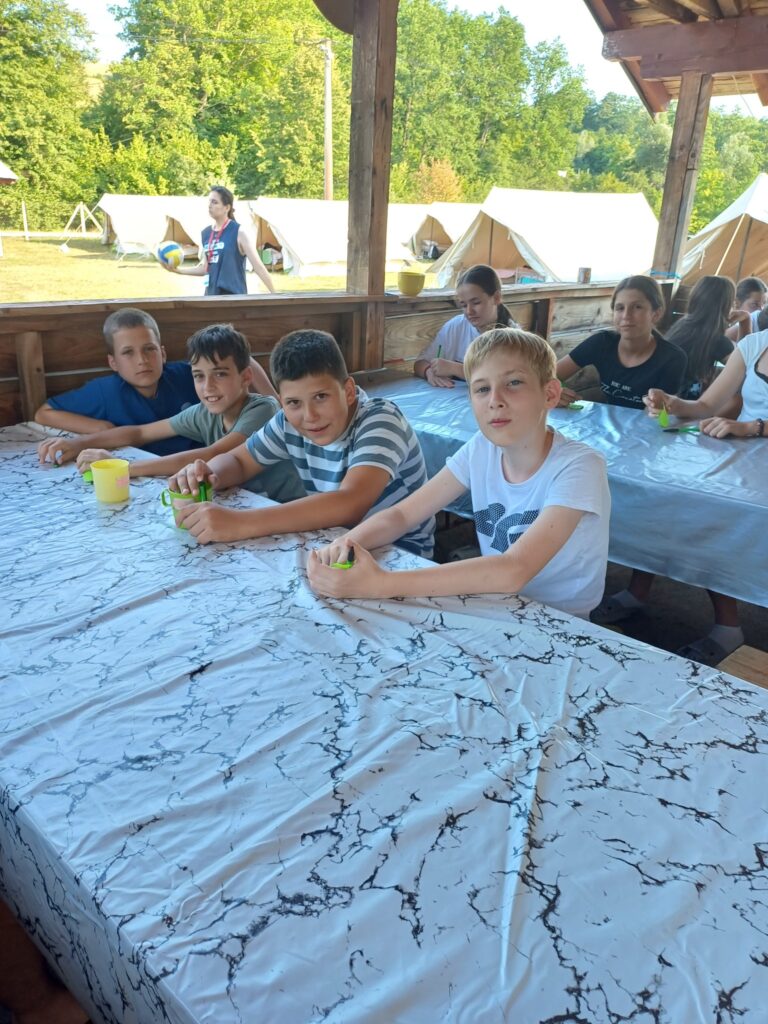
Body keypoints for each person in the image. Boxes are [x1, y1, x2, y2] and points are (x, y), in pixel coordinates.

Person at [308, 328, 610, 620]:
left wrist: (380, 584)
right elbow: (402, 515)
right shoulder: (482, 449)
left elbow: (514, 570)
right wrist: (346, 544)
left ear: (550, 394)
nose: (495, 400)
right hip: (497, 604)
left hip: (560, 620)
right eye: (482, 389)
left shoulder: (580, 466)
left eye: (514, 382)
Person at [168, 329, 435, 554]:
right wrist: (206, 475)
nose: (309, 416)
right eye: (294, 402)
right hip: (334, 541)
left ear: (348, 391)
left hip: (400, 551)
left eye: (321, 397)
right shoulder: (288, 422)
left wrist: (239, 523)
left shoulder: (380, 419)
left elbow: (350, 503)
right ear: (282, 401)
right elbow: (239, 460)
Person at [36, 325, 304, 503]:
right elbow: (140, 432)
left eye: (220, 374)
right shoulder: (203, 413)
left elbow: (214, 454)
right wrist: (77, 443)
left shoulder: (263, 409)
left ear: (246, 377)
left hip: (290, 505)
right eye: (199, 376)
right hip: (250, 501)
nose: (208, 387)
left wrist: (124, 468)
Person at [635, 325, 768, 665]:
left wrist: (755, 426)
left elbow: (746, 422)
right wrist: (670, 402)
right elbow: (707, 404)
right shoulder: (754, 345)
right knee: (709, 511)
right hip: (749, 467)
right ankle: (727, 626)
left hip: (751, 452)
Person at [34, 308, 201, 456]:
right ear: (113, 362)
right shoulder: (105, 391)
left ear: (162, 354)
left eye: (149, 349)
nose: (142, 360)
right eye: (128, 352)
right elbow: (43, 413)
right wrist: (101, 428)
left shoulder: (189, 375)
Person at [556, 275, 687, 409]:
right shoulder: (602, 343)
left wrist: (659, 407)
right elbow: (549, 375)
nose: (626, 316)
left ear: (656, 314)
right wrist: (553, 392)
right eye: (620, 308)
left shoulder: (672, 358)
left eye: (637, 307)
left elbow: (662, 414)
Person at [414, 264, 518, 388]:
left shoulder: (513, 336)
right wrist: (429, 371)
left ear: (496, 298)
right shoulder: (456, 326)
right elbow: (419, 363)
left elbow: (501, 379)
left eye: (476, 302)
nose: (469, 311)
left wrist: (455, 368)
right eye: (463, 305)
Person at [163, 185, 275, 296]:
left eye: (215, 202)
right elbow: (205, 268)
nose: (210, 205)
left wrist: (275, 295)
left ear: (227, 208)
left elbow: (258, 267)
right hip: (211, 298)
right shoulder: (206, 233)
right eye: (209, 201)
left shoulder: (239, 232)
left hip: (234, 299)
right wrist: (179, 271)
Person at [666, 275, 734, 400]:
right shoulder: (718, 341)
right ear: (726, 306)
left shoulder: (681, 326)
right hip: (684, 404)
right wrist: (746, 321)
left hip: (663, 399)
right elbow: (745, 367)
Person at [725, 276, 767, 342]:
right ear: (737, 303)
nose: (760, 310)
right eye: (755, 304)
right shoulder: (732, 334)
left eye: (764, 304)